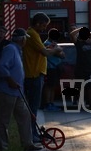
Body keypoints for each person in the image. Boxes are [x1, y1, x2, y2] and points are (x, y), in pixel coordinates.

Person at [0, 28, 42, 151]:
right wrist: (10, 80)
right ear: (22, 39)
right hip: (6, 91)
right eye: (25, 38)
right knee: (4, 120)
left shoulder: (17, 50)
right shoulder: (10, 49)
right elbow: (1, 67)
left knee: (25, 116)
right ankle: (2, 149)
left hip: (17, 92)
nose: (26, 40)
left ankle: (27, 143)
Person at [23, 13, 63, 141]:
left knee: (33, 107)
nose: (45, 28)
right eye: (44, 25)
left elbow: (41, 49)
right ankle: (32, 135)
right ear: (38, 23)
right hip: (34, 74)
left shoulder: (33, 34)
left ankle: (33, 133)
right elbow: (45, 53)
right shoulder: (33, 34)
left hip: (36, 74)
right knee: (33, 107)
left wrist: (47, 47)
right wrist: (55, 50)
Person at [70, 26, 91, 109]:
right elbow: (72, 34)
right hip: (80, 68)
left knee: (89, 86)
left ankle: (90, 103)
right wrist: (81, 28)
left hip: (89, 68)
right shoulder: (79, 43)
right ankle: (75, 100)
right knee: (78, 85)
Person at [43, 28, 66, 111]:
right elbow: (59, 52)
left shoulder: (54, 44)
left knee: (53, 86)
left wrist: (57, 49)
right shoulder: (47, 44)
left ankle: (51, 103)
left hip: (56, 68)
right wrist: (57, 49)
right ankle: (47, 104)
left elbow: (63, 55)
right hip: (50, 68)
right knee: (49, 86)